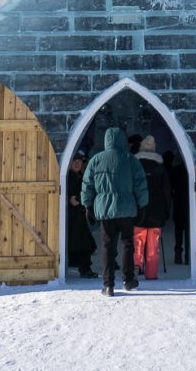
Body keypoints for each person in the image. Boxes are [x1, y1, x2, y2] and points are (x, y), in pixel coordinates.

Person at [81, 126, 148, 296]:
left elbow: (87, 185)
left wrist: (88, 206)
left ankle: (108, 285)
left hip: (105, 209)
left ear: (106, 140)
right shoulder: (130, 159)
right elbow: (140, 184)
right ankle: (128, 280)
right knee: (127, 244)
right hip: (127, 208)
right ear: (122, 141)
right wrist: (143, 206)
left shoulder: (96, 160)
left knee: (108, 246)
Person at [133, 135, 171, 279]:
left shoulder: (135, 165)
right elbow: (166, 190)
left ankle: (136, 265)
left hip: (139, 210)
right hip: (157, 210)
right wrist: (167, 211)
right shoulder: (160, 167)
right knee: (153, 245)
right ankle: (151, 274)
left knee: (137, 240)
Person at [65, 150, 98, 278]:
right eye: (75, 161)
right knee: (83, 244)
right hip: (72, 217)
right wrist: (71, 200)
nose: (77, 163)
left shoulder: (81, 177)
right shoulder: (69, 177)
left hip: (79, 216)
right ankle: (84, 269)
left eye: (79, 161)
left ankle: (84, 268)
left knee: (84, 244)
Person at [164, 149, 190, 265]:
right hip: (189, 204)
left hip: (178, 203)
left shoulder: (174, 171)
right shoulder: (191, 171)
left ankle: (178, 255)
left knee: (178, 231)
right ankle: (188, 257)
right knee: (188, 232)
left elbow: (170, 189)